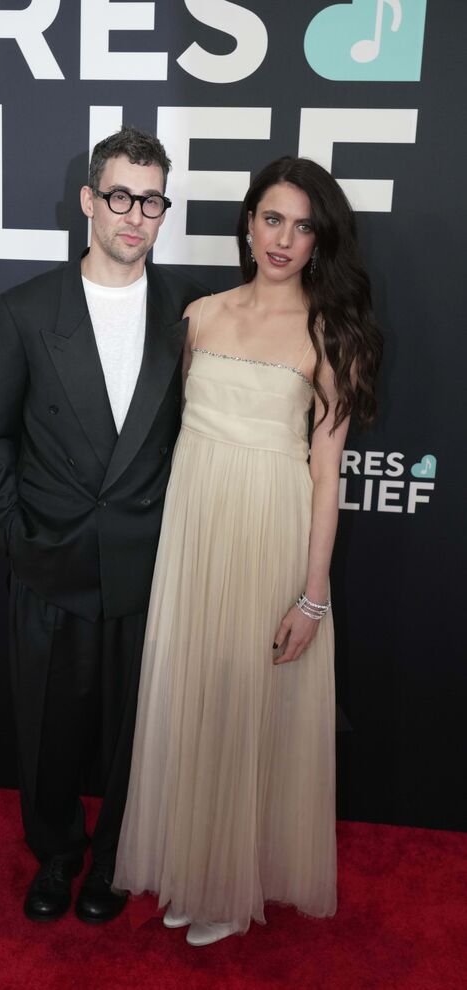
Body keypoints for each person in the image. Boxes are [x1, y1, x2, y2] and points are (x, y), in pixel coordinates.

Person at [114, 156, 383, 946]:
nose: (285, 239)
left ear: (319, 240)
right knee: (192, 696)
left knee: (244, 704)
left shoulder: (330, 332)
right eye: (273, 218)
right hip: (193, 532)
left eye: (304, 226)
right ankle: (195, 869)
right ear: (247, 221)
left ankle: (233, 890)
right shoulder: (198, 316)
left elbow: (325, 474)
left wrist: (312, 594)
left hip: (269, 532)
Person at [0, 126, 202, 925]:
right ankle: (59, 857)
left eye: (151, 200)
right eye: (119, 197)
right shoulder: (26, 311)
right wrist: (19, 538)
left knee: (140, 738)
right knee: (48, 735)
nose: (135, 215)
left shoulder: (191, 315)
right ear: (88, 201)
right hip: (51, 562)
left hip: (149, 568)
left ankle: (114, 863)